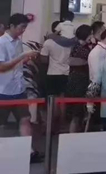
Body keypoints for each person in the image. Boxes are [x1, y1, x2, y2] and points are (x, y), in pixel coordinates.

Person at [0, 14, 41, 162]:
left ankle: (28, 151)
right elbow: (2, 67)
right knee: (2, 124)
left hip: (19, 89)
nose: (23, 30)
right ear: (11, 26)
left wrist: (26, 59)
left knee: (25, 119)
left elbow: (15, 64)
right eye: (21, 27)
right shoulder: (2, 43)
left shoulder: (18, 42)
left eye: (25, 27)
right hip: (3, 91)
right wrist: (22, 56)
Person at [65, 24, 94, 133]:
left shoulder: (82, 46)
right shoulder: (78, 48)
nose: (92, 36)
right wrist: (87, 62)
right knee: (76, 113)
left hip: (79, 80)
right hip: (78, 81)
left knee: (79, 113)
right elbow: (71, 61)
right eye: (90, 34)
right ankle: (72, 135)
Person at [41, 20, 72, 98]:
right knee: (62, 96)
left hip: (52, 73)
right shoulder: (69, 42)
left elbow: (43, 59)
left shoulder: (48, 42)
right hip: (65, 73)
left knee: (52, 97)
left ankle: (52, 106)